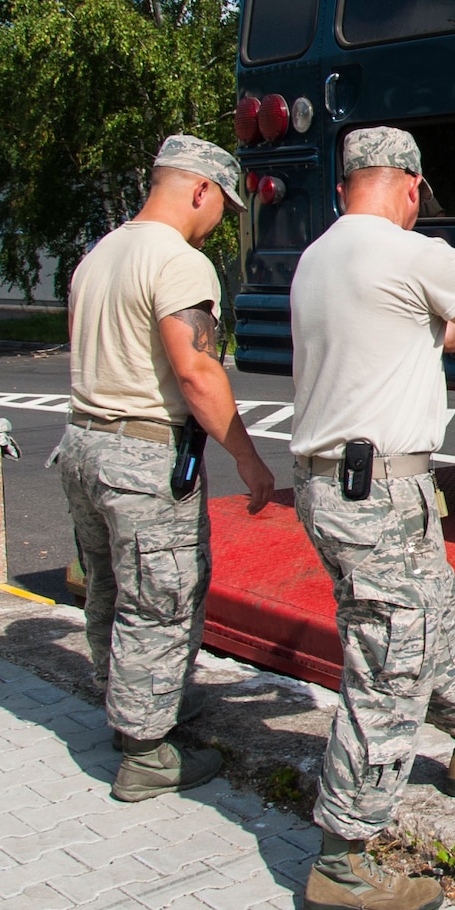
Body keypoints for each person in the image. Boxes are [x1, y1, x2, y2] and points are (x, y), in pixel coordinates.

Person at [289, 128, 455, 910]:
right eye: (419, 199)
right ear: (408, 184)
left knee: (436, 607)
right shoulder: (407, 253)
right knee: (389, 666)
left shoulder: (323, 257)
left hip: (343, 488)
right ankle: (343, 857)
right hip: (378, 495)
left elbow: (444, 331)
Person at [57, 135, 276, 803]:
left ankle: (129, 715)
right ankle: (149, 751)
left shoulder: (98, 256)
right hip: (143, 457)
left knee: (109, 590)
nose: (218, 223)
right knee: (162, 599)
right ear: (200, 190)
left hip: (82, 444)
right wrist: (247, 455)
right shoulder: (179, 264)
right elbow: (195, 369)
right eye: (223, 207)